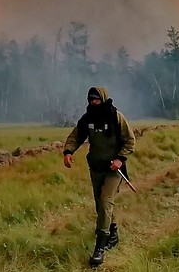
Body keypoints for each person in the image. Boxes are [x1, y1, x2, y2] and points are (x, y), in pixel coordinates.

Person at [63, 87, 136, 267]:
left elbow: (130, 140)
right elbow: (76, 135)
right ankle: (113, 232)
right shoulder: (88, 117)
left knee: (105, 202)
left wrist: (120, 159)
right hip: (96, 168)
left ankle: (99, 247)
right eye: (90, 99)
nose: (93, 102)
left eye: (96, 99)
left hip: (114, 170)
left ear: (103, 99)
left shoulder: (116, 116)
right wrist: (68, 152)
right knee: (101, 205)